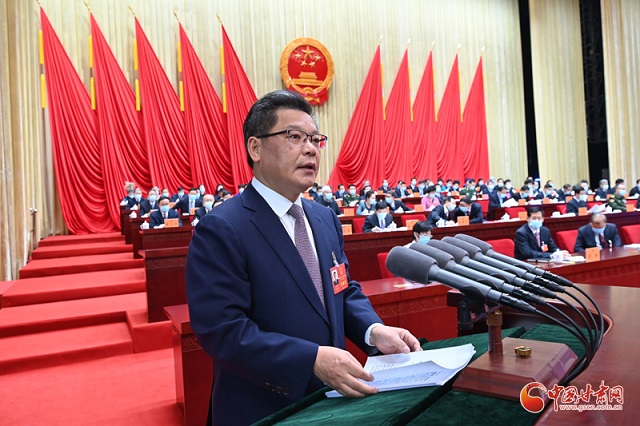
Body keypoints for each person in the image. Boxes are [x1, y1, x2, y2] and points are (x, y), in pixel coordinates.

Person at [185, 91, 421, 425]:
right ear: (255, 148)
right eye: (294, 137)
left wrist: (373, 330)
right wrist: (309, 359)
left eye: (315, 139)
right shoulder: (222, 228)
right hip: (265, 409)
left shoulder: (324, 218)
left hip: (332, 403)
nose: (310, 149)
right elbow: (223, 331)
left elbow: (342, 290)